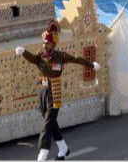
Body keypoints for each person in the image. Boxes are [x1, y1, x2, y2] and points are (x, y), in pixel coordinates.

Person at [16, 22, 99, 161]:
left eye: (47, 43)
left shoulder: (60, 56)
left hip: (54, 91)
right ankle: (63, 148)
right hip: (42, 90)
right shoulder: (41, 55)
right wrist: (23, 52)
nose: (44, 45)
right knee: (51, 122)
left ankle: (42, 155)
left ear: (53, 45)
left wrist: (91, 65)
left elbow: (76, 59)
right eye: (43, 42)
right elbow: (32, 58)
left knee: (48, 124)